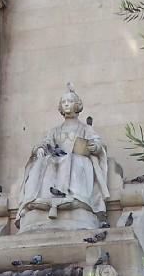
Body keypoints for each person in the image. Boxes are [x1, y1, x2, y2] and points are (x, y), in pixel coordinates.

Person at [17, 84, 109, 228]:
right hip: (57, 160)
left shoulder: (85, 128)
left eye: (70, 101)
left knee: (71, 159)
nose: (66, 104)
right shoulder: (55, 130)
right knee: (44, 161)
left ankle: (74, 196)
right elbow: (46, 143)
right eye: (63, 102)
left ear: (77, 105)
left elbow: (97, 143)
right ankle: (40, 198)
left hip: (77, 160)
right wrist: (40, 149)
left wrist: (94, 146)